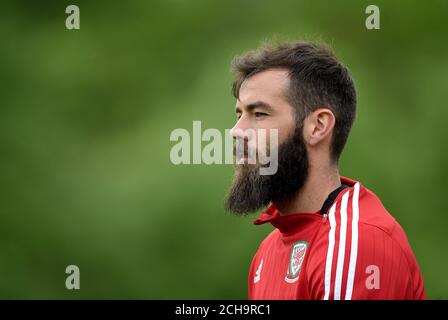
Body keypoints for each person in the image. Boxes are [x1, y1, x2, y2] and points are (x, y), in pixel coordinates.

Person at [224, 41, 425, 300]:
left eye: (259, 114)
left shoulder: (357, 244)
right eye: (239, 114)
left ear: (318, 126)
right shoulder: (269, 251)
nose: (237, 131)